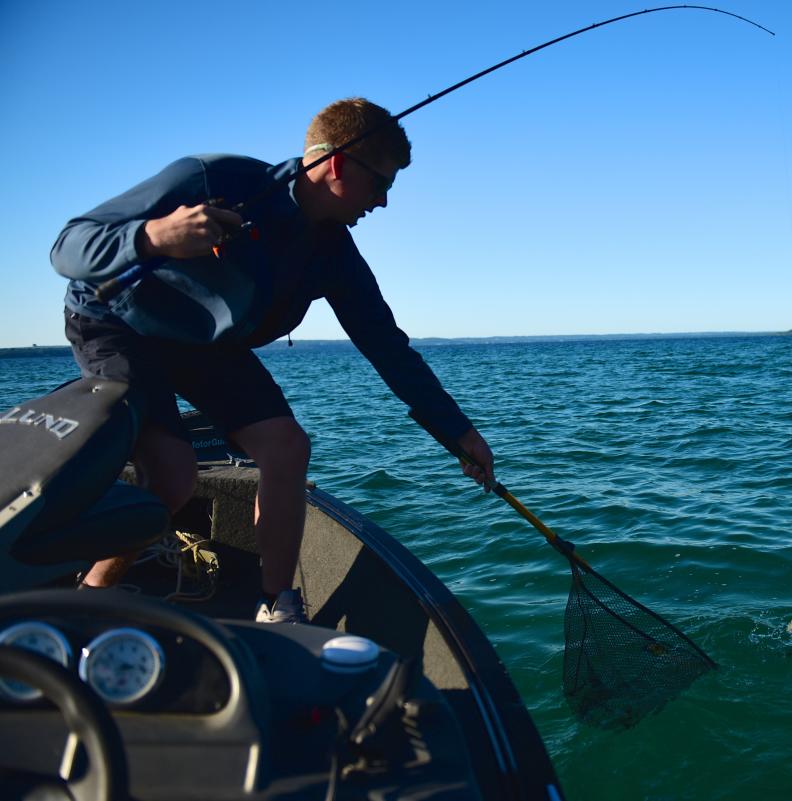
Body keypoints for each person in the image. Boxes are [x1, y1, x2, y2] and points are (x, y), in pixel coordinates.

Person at [50, 98, 494, 622]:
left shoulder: (333, 253)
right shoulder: (213, 176)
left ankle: (276, 603)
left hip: (204, 346)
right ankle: (90, 598)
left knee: (286, 447)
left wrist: (458, 432)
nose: (383, 202)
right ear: (337, 164)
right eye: (382, 184)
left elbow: (387, 348)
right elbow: (68, 246)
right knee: (173, 475)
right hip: (117, 323)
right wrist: (152, 237)